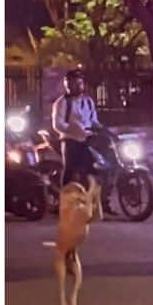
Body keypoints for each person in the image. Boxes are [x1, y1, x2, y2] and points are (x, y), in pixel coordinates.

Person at [51, 69, 117, 214]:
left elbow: (93, 121)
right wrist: (72, 129)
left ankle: (103, 202)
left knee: (102, 167)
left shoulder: (88, 101)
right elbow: (57, 124)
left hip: (89, 138)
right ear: (67, 84)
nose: (76, 86)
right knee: (69, 170)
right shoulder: (62, 103)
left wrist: (104, 129)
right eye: (73, 83)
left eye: (79, 83)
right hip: (70, 139)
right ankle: (63, 203)